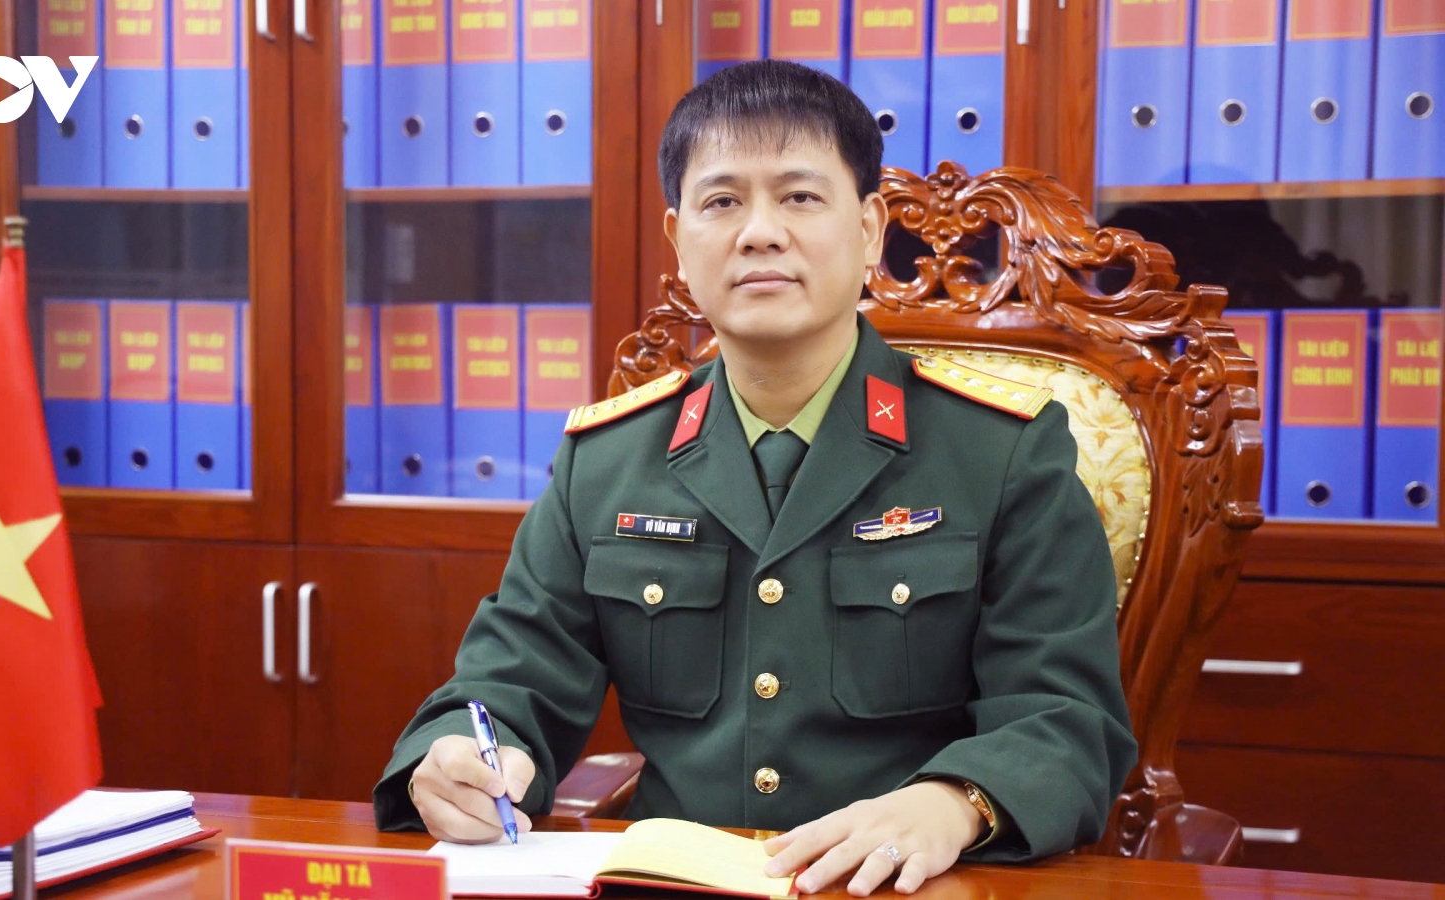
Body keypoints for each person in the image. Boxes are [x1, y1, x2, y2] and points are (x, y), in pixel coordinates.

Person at [375, 60, 1137, 896]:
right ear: (678, 241)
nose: (759, 233)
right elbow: (509, 679)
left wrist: (953, 804)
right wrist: (459, 757)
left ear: (870, 228)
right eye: (722, 202)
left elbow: (1067, 722)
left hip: (911, 885)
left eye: (800, 197)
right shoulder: (608, 460)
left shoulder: (1000, 453)